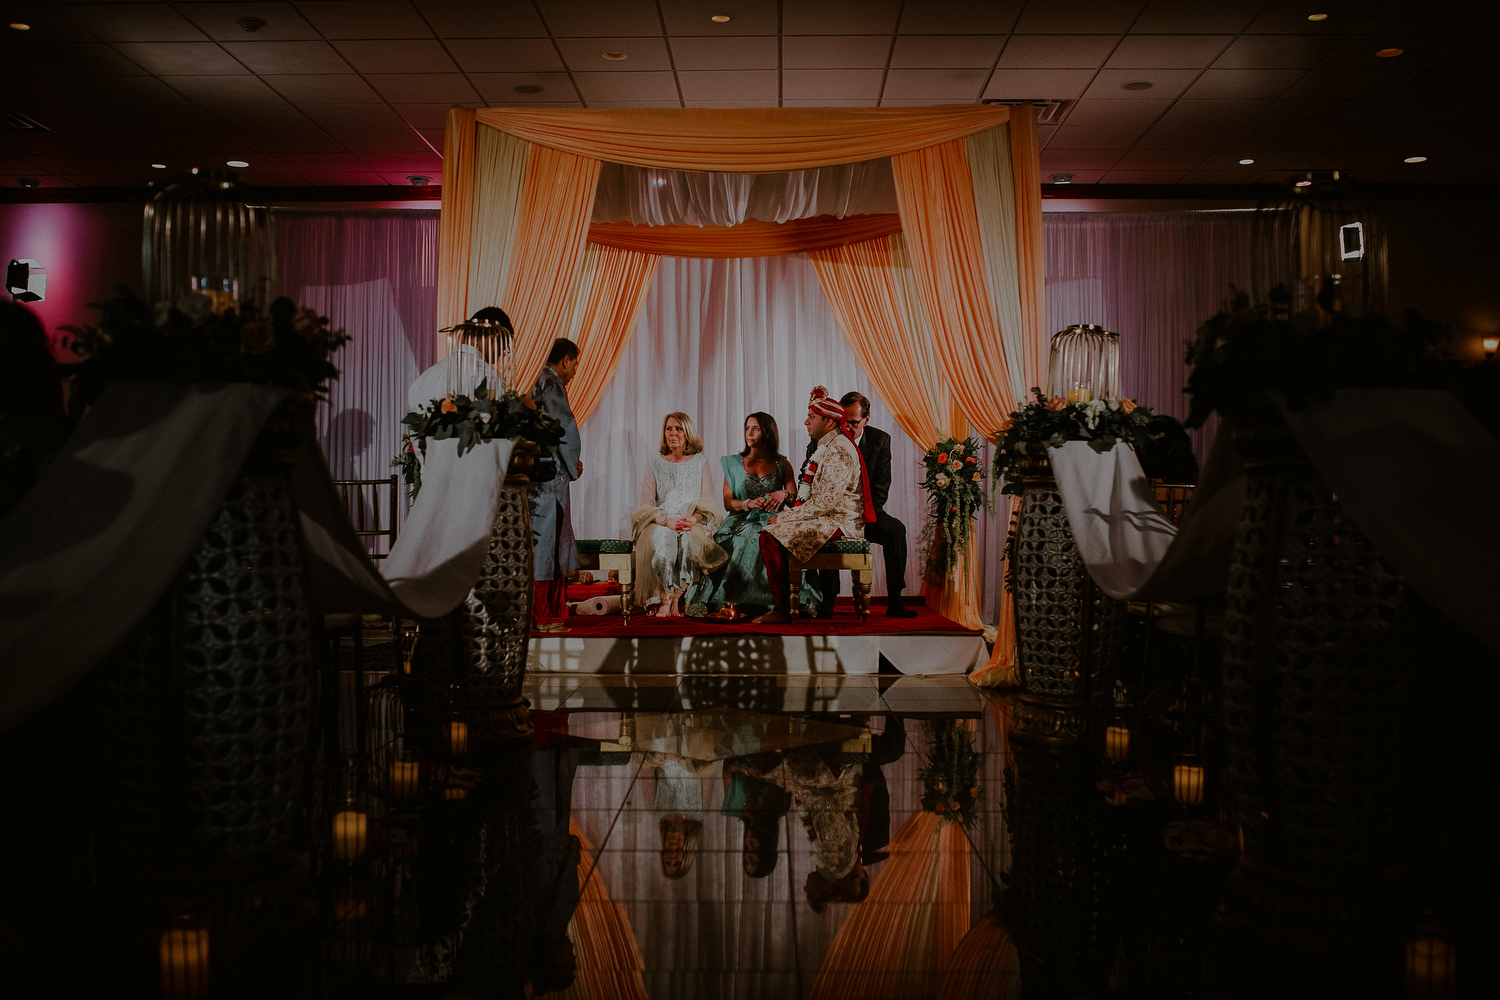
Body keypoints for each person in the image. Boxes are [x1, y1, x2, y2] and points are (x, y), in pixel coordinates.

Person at [754, 386, 875, 625]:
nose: (806, 422)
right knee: (770, 532)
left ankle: (781, 609)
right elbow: (815, 498)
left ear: (829, 422)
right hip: (829, 517)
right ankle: (786, 605)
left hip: (840, 522)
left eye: (812, 417)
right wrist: (788, 501)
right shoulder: (828, 446)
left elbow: (823, 503)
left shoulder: (838, 450)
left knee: (770, 536)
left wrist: (784, 518)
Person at [805, 391, 916, 618]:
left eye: (854, 423)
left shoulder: (880, 440)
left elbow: (880, 490)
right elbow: (808, 481)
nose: (848, 428)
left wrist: (856, 517)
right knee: (824, 528)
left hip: (867, 512)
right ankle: (828, 599)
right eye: (844, 422)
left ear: (866, 419)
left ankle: (895, 599)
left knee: (896, 530)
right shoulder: (823, 439)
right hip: (833, 513)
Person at [685, 412, 799, 618]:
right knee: (733, 540)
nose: (749, 433)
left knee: (766, 537)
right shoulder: (735, 463)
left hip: (774, 520)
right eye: (747, 428)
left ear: (768, 432)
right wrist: (748, 503)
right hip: (741, 519)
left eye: (755, 428)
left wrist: (783, 493)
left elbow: (794, 498)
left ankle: (772, 603)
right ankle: (729, 600)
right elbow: (728, 502)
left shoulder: (782, 464)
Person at [630, 412, 726, 617]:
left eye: (678, 428)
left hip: (691, 521)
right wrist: (666, 522)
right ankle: (666, 600)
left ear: (687, 433)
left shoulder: (700, 462)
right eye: (669, 428)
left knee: (690, 542)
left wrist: (692, 520)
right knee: (666, 542)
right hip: (662, 521)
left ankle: (676, 599)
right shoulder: (654, 463)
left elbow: (708, 503)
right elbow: (645, 506)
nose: (673, 433)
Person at [530, 338, 582, 632]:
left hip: (536, 471)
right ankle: (544, 615)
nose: (574, 371)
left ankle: (544, 613)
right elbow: (563, 427)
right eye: (575, 363)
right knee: (548, 541)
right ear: (565, 359)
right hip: (550, 474)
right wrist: (573, 462)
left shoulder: (532, 379)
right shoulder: (549, 382)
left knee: (545, 540)